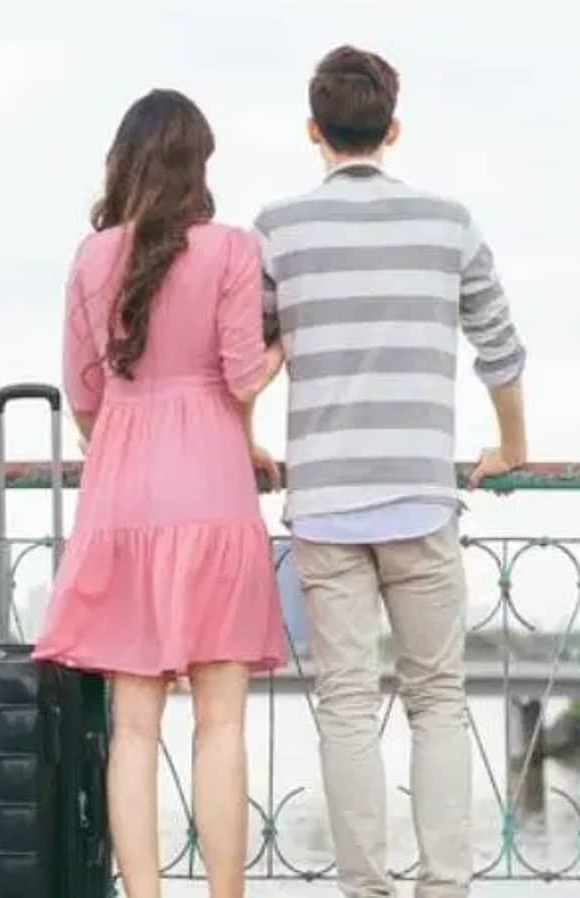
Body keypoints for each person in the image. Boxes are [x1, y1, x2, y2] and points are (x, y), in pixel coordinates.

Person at [253, 46, 527, 898]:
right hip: (419, 494)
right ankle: (445, 886)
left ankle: (363, 889)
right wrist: (512, 446)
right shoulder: (449, 222)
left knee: (345, 705)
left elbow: (246, 356)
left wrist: (252, 442)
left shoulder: (278, 229)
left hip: (324, 502)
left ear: (314, 131)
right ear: (393, 129)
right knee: (437, 700)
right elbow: (500, 346)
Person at [33, 89, 286, 898]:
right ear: (198, 164)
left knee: (134, 729)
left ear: (125, 161)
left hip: (123, 496)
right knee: (221, 724)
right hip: (213, 489)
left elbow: (83, 395)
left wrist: (124, 430)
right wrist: (282, 348)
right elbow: (242, 375)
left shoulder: (92, 256)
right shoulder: (232, 248)